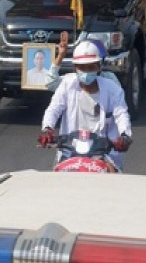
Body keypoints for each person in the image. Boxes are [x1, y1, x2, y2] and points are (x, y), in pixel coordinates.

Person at [39, 40, 132, 169]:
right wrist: (48, 129)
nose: (86, 72)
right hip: (70, 151)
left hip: (104, 152)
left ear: (99, 67)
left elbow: (121, 114)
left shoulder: (113, 88)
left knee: (111, 177)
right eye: (82, 68)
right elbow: (54, 109)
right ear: (75, 68)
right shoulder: (67, 84)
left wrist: (124, 136)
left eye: (91, 67)